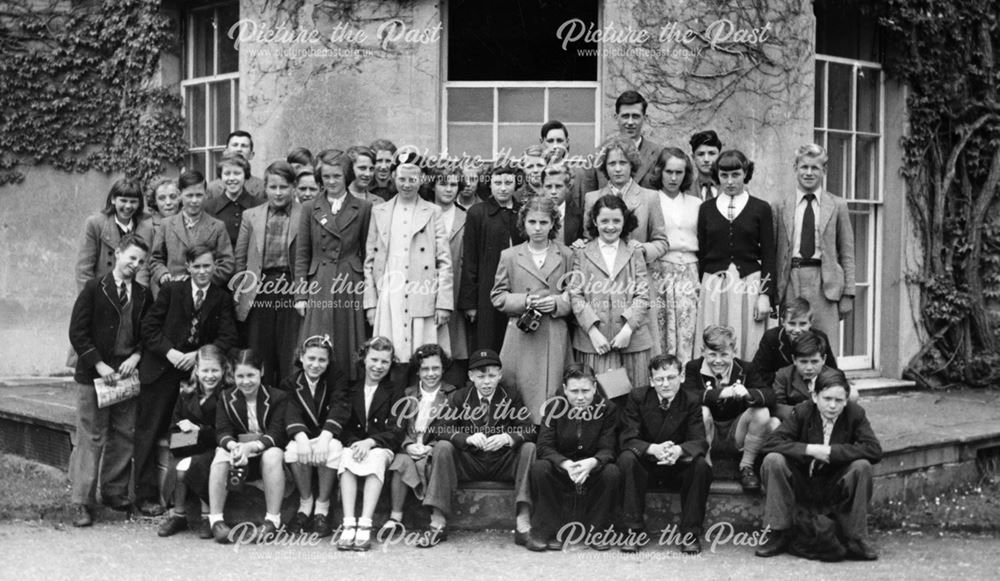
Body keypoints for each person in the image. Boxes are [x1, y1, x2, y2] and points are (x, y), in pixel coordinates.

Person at [137, 245, 238, 517]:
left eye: (208, 266)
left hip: (198, 373)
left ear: (215, 266)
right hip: (163, 369)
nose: (203, 272)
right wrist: (170, 352)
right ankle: (147, 496)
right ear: (188, 267)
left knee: (193, 432)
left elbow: (228, 337)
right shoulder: (172, 291)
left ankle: (189, 498)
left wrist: (196, 356)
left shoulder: (221, 298)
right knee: (151, 430)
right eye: (198, 266)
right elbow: (149, 327)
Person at [68, 234, 153, 527]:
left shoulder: (143, 295)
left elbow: (148, 334)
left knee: (124, 433)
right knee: (91, 436)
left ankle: (114, 493)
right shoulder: (94, 289)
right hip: (94, 374)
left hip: (126, 374)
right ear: (117, 253)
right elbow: (77, 333)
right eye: (131, 257)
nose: (135, 264)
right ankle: (82, 501)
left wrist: (137, 357)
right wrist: (100, 364)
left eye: (141, 261)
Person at [755, 367, 882, 560]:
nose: (832, 405)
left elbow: (873, 449)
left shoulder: (855, 414)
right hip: (804, 483)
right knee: (774, 460)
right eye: (827, 399)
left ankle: (856, 538)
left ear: (846, 400)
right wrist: (811, 450)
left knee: (862, 466)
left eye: (839, 400)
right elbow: (770, 443)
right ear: (815, 397)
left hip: (834, 483)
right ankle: (777, 532)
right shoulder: (802, 411)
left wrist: (832, 452)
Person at [420, 349, 536, 548]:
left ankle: (523, 522)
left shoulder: (511, 396)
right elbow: (440, 429)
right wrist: (467, 438)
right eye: (481, 376)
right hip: (470, 462)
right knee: (442, 447)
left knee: (529, 448)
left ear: (500, 375)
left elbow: (529, 429)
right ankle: (437, 523)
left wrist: (507, 437)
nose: (487, 382)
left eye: (492, 376)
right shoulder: (459, 397)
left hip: (503, 462)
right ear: (471, 376)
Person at [491, 197, 573, 424]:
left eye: (544, 223)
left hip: (553, 332)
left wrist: (557, 303)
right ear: (523, 223)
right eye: (532, 222)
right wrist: (525, 300)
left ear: (553, 224)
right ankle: (519, 438)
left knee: (551, 395)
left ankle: (547, 440)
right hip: (521, 333)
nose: (537, 228)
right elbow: (498, 297)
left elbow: (576, 294)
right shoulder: (510, 255)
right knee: (520, 394)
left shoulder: (565, 255)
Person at [364, 153, 452, 364]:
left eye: (412, 179)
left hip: (422, 291)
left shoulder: (432, 211)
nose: (407, 184)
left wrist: (444, 303)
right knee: (389, 353)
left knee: (423, 354)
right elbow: (370, 261)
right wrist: (371, 304)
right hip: (389, 293)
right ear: (394, 177)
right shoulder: (379, 211)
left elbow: (444, 261)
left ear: (421, 180)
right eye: (402, 178)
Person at [618, 355, 712, 554]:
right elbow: (628, 438)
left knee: (701, 466)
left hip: (677, 465)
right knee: (627, 458)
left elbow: (699, 440)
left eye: (671, 377)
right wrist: (654, 449)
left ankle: (690, 533)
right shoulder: (638, 397)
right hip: (647, 465)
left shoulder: (691, 400)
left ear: (681, 377)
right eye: (659, 379)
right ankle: (632, 531)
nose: (665, 384)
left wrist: (678, 451)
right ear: (651, 380)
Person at [295, 151, 372, 382]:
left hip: (350, 281)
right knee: (318, 340)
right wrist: (300, 294)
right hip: (320, 281)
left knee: (347, 341)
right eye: (326, 176)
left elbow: (369, 254)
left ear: (347, 176)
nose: (331, 181)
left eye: (337, 176)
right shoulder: (310, 208)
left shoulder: (363, 207)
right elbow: (302, 254)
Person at [525, 364, 619, 552]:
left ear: (594, 387)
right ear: (565, 389)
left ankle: (596, 530)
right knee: (540, 468)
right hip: (562, 467)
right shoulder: (554, 406)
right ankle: (547, 530)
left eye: (586, 390)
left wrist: (592, 463)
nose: (580, 397)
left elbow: (608, 448)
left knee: (612, 472)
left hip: (591, 468)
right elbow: (544, 446)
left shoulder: (607, 409)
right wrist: (566, 464)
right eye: (574, 391)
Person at [695, 149, 776, 359]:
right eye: (724, 175)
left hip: (749, 283)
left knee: (748, 340)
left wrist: (765, 294)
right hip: (714, 284)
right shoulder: (706, 209)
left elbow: (769, 254)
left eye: (736, 175)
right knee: (714, 339)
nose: (730, 181)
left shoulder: (761, 208)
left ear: (745, 174)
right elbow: (702, 254)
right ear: (717, 176)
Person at [568, 194, 654, 392]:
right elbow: (576, 294)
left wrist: (628, 329)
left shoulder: (634, 252)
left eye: (616, 221)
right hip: (596, 342)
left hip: (631, 341)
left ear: (625, 222)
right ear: (595, 222)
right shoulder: (582, 253)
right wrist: (592, 330)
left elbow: (643, 295)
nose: (610, 226)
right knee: (600, 399)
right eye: (604, 220)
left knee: (634, 399)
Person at [774, 144, 856, 348]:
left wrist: (847, 293)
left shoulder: (837, 205)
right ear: (795, 168)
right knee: (792, 343)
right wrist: (774, 293)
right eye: (804, 167)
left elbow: (847, 252)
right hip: (792, 279)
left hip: (825, 282)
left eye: (815, 168)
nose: (809, 173)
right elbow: (775, 251)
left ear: (824, 171)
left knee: (825, 345)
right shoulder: (780, 205)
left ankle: (828, 381)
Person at [205, 349, 288, 544]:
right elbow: (222, 432)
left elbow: (277, 432)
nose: (246, 381)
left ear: (262, 371)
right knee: (221, 454)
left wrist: (252, 447)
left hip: (264, 450)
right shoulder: (226, 397)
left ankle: (272, 520)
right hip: (238, 452)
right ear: (233, 376)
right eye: (240, 376)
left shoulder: (278, 397)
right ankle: (216, 520)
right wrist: (234, 446)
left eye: (251, 375)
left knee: (273, 455)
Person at [681, 325, 775, 493]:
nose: (718, 360)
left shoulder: (746, 368)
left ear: (734, 351)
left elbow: (770, 396)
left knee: (762, 413)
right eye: (712, 354)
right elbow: (687, 397)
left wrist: (748, 393)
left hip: (736, 432)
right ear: (703, 351)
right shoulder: (693, 367)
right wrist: (721, 393)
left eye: (724, 354)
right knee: (701, 411)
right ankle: (706, 466)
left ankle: (746, 466)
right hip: (708, 432)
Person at [233, 161, 302, 386]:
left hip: (291, 288)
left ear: (293, 187)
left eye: (284, 187)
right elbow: (241, 260)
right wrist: (240, 291)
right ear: (265, 187)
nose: (279, 192)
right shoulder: (251, 215)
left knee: (290, 351)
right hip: (259, 289)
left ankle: (290, 406)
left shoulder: (305, 214)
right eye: (273, 187)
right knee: (260, 351)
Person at [336, 337, 405, 552]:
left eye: (384, 362)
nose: (378, 366)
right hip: (356, 445)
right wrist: (357, 443)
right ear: (364, 359)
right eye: (374, 359)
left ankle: (365, 524)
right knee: (346, 456)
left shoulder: (395, 392)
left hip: (382, 446)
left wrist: (371, 441)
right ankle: (348, 523)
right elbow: (344, 425)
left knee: (375, 458)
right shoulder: (351, 389)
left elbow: (397, 430)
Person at [381, 344, 457, 535]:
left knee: (437, 456)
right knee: (401, 461)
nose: (430, 374)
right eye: (425, 369)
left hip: (434, 448)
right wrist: (407, 445)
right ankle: (395, 516)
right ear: (417, 371)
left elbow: (452, 427)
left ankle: (436, 517)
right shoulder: (406, 395)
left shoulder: (452, 394)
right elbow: (397, 426)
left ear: (443, 369)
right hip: (410, 446)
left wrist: (430, 447)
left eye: (435, 368)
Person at [156, 344, 227, 539]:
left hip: (213, 447)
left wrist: (199, 432)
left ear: (223, 370)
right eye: (205, 370)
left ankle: (206, 516)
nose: (209, 376)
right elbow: (173, 430)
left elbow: (225, 432)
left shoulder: (227, 396)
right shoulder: (186, 395)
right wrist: (189, 437)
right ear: (196, 370)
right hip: (186, 445)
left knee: (199, 464)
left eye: (215, 371)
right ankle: (178, 514)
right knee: (177, 464)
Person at [282, 335, 349, 538]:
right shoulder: (290, 383)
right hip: (304, 435)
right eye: (311, 358)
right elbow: (289, 411)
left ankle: (322, 507)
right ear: (301, 357)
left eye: (322, 360)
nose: (315, 364)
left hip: (328, 436)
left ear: (329, 362)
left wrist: (326, 437)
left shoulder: (336, 380)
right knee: (292, 451)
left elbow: (340, 406)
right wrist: (301, 438)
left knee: (334, 449)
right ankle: (306, 503)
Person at [459, 165, 526, 353]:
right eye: (497, 183)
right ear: (489, 185)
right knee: (488, 340)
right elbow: (470, 258)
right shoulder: (477, 213)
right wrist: (470, 303)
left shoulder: (523, 212)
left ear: (516, 185)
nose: (503, 188)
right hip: (486, 289)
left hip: (518, 288)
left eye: (508, 183)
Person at [648, 147, 701, 363]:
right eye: (669, 171)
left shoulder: (696, 203)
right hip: (659, 272)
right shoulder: (651, 200)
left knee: (688, 329)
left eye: (679, 172)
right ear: (660, 171)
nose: (673, 177)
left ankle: (687, 379)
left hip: (689, 273)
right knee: (661, 329)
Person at [150, 169, 235, 294]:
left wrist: (200, 281)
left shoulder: (218, 227)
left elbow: (227, 264)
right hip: (174, 293)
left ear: (206, 194)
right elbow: (156, 259)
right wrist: (163, 275)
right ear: (179, 195)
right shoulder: (166, 225)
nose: (194, 200)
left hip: (206, 294)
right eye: (189, 195)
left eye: (199, 195)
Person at [425, 167, 470, 382]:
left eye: (453, 184)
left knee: (455, 344)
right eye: (443, 183)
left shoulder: (467, 217)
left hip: (457, 288)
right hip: (425, 286)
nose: (449, 189)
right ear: (433, 185)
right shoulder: (422, 214)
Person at [76, 178, 154, 291]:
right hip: (103, 294)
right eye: (123, 200)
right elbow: (84, 270)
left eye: (133, 202)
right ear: (113, 200)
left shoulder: (146, 226)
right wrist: (89, 300)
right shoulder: (95, 224)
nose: (128, 206)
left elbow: (146, 267)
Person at [581, 91, 663, 192]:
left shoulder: (659, 154)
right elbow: (589, 199)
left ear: (644, 118)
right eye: (625, 116)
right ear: (616, 117)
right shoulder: (597, 156)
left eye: (635, 116)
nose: (630, 122)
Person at [772, 331, 856, 424]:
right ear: (794, 360)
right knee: (774, 423)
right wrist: (804, 411)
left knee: (852, 394)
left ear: (823, 359)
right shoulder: (783, 375)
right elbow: (777, 406)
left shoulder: (832, 375)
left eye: (814, 362)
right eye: (803, 362)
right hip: (795, 421)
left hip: (825, 420)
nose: (809, 368)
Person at [752, 296, 838, 386]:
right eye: (792, 323)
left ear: (810, 323)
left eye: (803, 324)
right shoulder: (771, 338)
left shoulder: (820, 338)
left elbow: (832, 371)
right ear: (783, 322)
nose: (797, 330)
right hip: (779, 387)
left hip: (810, 388)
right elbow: (758, 374)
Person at [203, 151, 266, 248]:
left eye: (237, 173)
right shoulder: (208, 208)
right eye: (227, 174)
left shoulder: (260, 206)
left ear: (245, 175)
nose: (232, 178)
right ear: (221, 176)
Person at [538, 120, 589, 211]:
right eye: (550, 141)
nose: (555, 146)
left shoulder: (579, 175)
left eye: (559, 141)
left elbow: (584, 208)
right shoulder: (535, 172)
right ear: (542, 142)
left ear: (567, 142)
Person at [206, 130, 264, 198]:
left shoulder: (262, 188)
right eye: (235, 145)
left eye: (244, 146)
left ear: (251, 155)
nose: (239, 149)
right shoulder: (212, 188)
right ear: (225, 152)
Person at [541, 163, 584, 247]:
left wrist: (581, 242)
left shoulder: (578, 215)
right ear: (542, 187)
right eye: (549, 187)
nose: (553, 192)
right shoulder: (533, 213)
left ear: (567, 187)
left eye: (558, 186)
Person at [689, 130, 722, 200]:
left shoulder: (736, 189)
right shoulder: (685, 191)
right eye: (701, 154)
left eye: (711, 153)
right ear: (693, 158)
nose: (706, 159)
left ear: (719, 156)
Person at [147, 176, 181, 241]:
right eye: (162, 198)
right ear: (154, 201)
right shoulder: (148, 227)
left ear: (179, 197)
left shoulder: (188, 222)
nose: (168, 202)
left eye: (173, 197)